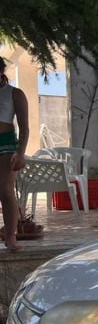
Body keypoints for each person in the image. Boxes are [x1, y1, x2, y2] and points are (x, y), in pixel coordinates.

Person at [0, 57, 30, 252]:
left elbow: (25, 127)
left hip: (6, 145)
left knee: (5, 190)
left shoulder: (14, 94)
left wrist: (20, 153)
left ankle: (11, 237)